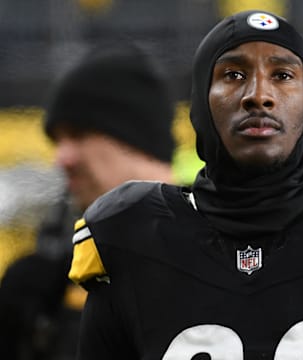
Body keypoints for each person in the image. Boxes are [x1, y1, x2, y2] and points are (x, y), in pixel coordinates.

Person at [69, 10, 303, 360]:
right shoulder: (132, 235)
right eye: (233, 74)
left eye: (282, 75)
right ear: (200, 101)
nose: (259, 95)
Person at [0, 40, 175, 360]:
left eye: (78, 135)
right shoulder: (50, 287)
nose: (61, 158)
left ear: (135, 138)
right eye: (58, 141)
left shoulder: (226, 253)